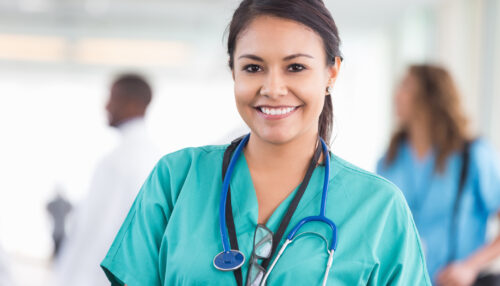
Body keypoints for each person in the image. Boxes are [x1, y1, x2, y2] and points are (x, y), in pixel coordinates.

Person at [101, 1, 430, 285]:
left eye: (296, 67)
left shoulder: (379, 208)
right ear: (234, 72)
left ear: (331, 73)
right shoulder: (176, 179)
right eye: (253, 67)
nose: (273, 88)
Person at [377, 64, 500, 285]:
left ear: (429, 97)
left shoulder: (473, 155)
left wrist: (470, 267)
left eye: (405, 86)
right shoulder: (390, 159)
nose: (396, 95)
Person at [53, 74, 160, 286]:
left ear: (132, 103)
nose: (106, 106)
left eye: (113, 97)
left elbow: (96, 237)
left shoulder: (120, 161)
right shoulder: (148, 156)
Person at [46, 189, 73, 258]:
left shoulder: (54, 204)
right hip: (60, 232)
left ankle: (56, 259)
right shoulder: (62, 203)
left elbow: (47, 206)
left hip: (57, 232)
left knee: (59, 251)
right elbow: (70, 207)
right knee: (59, 251)